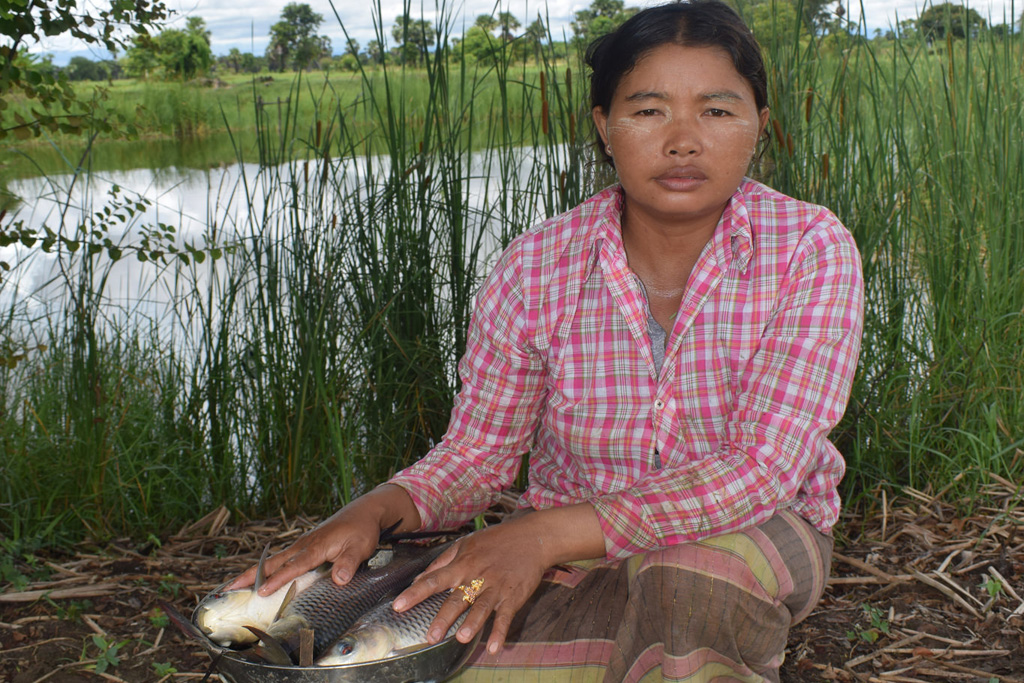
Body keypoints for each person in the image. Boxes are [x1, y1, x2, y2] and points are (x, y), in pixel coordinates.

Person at [229, 1, 864, 680]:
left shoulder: (808, 247)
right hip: (567, 553)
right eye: (649, 110)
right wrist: (377, 508)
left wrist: (538, 533)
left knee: (687, 581)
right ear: (604, 126)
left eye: (717, 110)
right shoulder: (538, 264)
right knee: (425, 653)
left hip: (751, 533)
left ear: (760, 127)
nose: (683, 139)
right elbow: (478, 453)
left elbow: (759, 470)